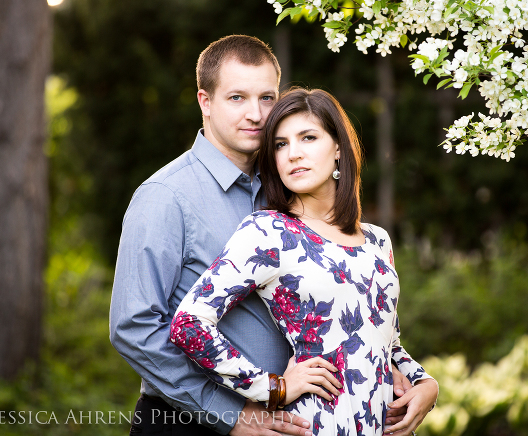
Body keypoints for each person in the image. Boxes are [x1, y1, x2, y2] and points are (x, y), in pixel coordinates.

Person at [110, 36, 413, 436]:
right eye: (237, 98)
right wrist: (230, 413)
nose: (255, 114)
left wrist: (404, 372)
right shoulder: (166, 196)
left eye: (267, 98)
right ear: (205, 101)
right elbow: (134, 328)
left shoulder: (289, 190)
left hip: (291, 420)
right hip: (190, 423)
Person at [170, 88, 439, 436]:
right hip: (317, 425)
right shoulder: (270, 231)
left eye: (308, 137)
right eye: (280, 144)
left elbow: (387, 342)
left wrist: (426, 385)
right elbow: (189, 324)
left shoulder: (377, 240)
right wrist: (271, 388)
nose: (293, 154)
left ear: (338, 147)